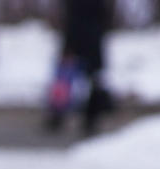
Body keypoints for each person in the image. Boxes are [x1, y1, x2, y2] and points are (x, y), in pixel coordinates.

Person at [44, 0, 113, 134]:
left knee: (68, 80)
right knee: (71, 80)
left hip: (79, 40)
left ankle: (63, 117)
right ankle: (86, 118)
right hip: (90, 40)